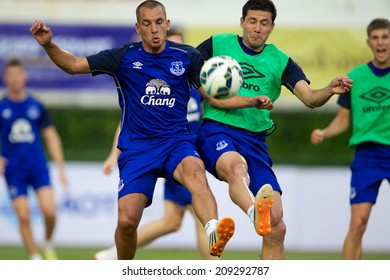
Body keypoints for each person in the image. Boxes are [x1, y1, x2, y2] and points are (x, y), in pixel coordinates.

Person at [30, 0, 273, 259]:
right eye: (147, 24)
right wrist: (48, 45)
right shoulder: (123, 57)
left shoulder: (187, 56)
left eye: (159, 22)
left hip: (176, 142)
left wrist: (251, 100)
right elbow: (74, 65)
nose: (154, 29)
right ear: (138, 27)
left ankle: (213, 230)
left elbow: (214, 98)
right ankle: (122, 266)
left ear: (166, 24)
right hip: (138, 148)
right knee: (127, 221)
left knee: (196, 172)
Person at [195, 0, 353, 260]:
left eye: (264, 23)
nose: (257, 28)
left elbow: (310, 98)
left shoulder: (280, 61)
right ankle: (256, 214)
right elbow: (188, 69)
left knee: (277, 227)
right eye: (253, 21)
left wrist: (328, 89)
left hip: (255, 141)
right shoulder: (217, 44)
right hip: (218, 130)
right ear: (242, 22)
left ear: (272, 27)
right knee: (237, 169)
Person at [94, 28, 217, 260]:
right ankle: (214, 267)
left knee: (171, 221)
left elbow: (211, 114)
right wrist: (113, 155)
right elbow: (126, 124)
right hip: (172, 156)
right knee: (201, 219)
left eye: (180, 45)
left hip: (184, 153)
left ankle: (111, 255)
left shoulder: (196, 87)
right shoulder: (151, 83)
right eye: (172, 44)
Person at [310, 18, 390, 260]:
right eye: (375, 38)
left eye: (385, 37)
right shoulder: (355, 78)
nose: (380, 42)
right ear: (368, 42)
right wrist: (325, 131)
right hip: (367, 157)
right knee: (358, 224)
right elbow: (344, 119)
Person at [0, 58, 68, 260]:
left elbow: (51, 136)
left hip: (37, 166)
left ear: (25, 77)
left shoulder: (36, 106)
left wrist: (61, 167)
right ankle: (34, 258)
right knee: (23, 216)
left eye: (18, 75)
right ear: (5, 79)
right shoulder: (2, 106)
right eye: (10, 76)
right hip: (14, 170)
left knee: (49, 212)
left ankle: (47, 243)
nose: (15, 79)